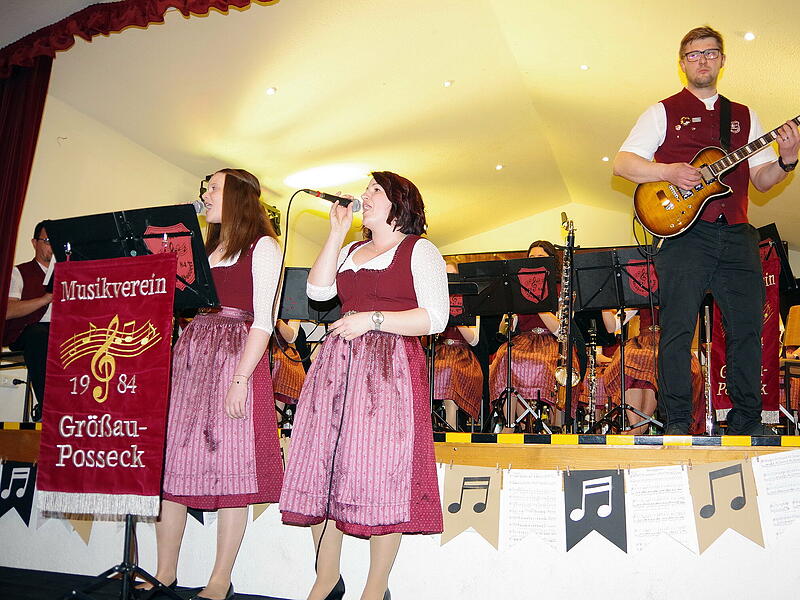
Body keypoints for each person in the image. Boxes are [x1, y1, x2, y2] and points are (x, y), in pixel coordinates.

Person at [613, 26, 799, 435]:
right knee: (678, 330)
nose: (702, 60)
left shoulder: (745, 116)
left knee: (748, 329)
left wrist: (787, 160)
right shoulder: (661, 111)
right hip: (683, 237)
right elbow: (623, 163)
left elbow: (762, 181)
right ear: (682, 64)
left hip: (736, 234)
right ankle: (677, 423)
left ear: (722, 60)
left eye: (711, 53)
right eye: (694, 54)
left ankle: (746, 422)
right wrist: (667, 171)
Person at [279, 171, 448, 600]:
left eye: (375, 190)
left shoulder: (418, 250)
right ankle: (326, 578)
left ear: (398, 202)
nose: (364, 196)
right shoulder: (352, 248)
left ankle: (375, 588)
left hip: (388, 368)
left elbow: (435, 317)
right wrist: (336, 233)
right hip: (338, 365)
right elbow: (318, 292)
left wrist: (373, 320)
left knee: (380, 472)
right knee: (324, 465)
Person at [141, 169, 284, 600]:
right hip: (193, 353)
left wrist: (241, 378)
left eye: (213, 188)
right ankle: (164, 571)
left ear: (238, 196)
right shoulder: (203, 249)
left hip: (234, 353)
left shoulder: (263, 246)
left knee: (231, 467)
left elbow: (263, 320)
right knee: (174, 465)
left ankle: (220, 577)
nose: (205, 194)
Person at [488, 240, 581, 428]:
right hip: (525, 339)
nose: (535, 261)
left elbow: (559, 329)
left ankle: (553, 425)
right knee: (506, 357)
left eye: (541, 257)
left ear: (551, 260)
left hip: (551, 341)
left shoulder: (561, 287)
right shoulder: (518, 286)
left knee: (551, 364)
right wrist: (509, 311)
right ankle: (511, 423)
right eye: (531, 258)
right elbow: (506, 329)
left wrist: (536, 301)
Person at [4, 220, 53, 420]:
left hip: (59, 334)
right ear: (34, 243)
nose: (52, 245)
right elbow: (7, 310)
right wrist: (45, 299)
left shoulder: (70, 274)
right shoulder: (20, 272)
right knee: (40, 335)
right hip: (27, 333)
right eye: (47, 240)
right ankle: (46, 407)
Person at [433, 262, 483, 430]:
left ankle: (451, 425)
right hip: (439, 351)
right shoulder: (434, 300)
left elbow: (474, 340)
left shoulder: (470, 301)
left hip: (462, 354)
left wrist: (456, 316)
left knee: (450, 369)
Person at [271, 319, 307, 425]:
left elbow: (291, 338)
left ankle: (278, 416)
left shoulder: (292, 308)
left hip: (282, 352)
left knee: (281, 364)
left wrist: (277, 321)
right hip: (260, 350)